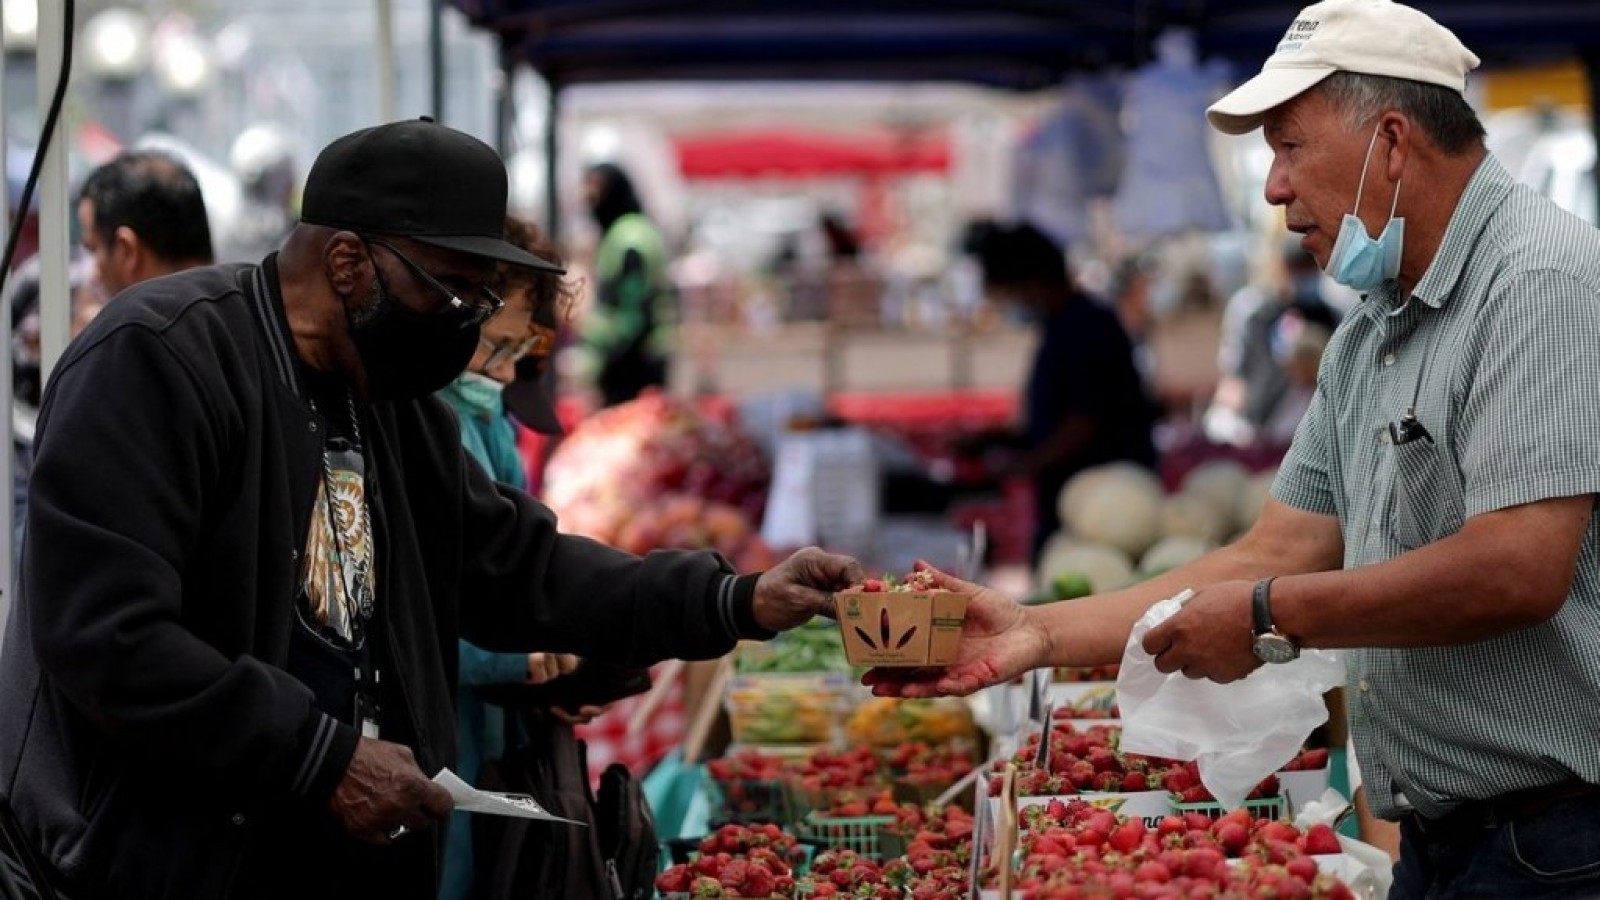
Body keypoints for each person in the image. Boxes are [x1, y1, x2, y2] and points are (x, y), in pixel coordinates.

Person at [0, 117, 856, 900]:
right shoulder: (157, 359)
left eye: (484, 300)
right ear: (348, 261)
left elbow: (514, 563)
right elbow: (109, 637)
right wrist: (320, 756)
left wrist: (733, 600)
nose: (468, 323)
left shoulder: (386, 394)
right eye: (454, 291)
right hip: (152, 865)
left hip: (326, 857)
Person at [868, 1, 1600, 896]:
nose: (1273, 188)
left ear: (1393, 142)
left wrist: (1266, 615)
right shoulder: (1374, 333)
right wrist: (1035, 633)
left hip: (1559, 845)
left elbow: (1517, 568)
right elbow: (1272, 549)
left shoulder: (1541, 282)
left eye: (1289, 147)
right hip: (1450, 837)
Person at [432, 215, 601, 900]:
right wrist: (521, 658)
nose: (500, 371)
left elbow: (518, 560)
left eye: (519, 350)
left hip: (488, 723)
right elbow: (421, 600)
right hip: (439, 727)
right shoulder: (422, 424)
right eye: (495, 348)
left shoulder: (486, 418)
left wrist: (552, 655)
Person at [960, 220, 1159, 564]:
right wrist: (999, 440)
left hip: (1103, 501)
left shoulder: (1087, 326)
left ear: (1031, 282)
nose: (1008, 303)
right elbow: (1058, 415)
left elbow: (1085, 419)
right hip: (1071, 499)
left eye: (1007, 292)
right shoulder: (1062, 325)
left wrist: (1025, 464)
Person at [1207, 237, 1342, 447]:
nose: (1302, 277)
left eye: (1308, 269)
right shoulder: (1254, 313)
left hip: (1306, 424)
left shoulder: (1329, 315)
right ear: (1283, 268)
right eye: (1297, 269)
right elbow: (1234, 378)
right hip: (1257, 422)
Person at [575, 162, 674, 407]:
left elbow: (632, 305)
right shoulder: (634, 229)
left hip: (633, 360)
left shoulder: (628, 237)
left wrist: (607, 350)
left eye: (595, 190)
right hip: (641, 354)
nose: (589, 199)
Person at [75, 148, 216, 297]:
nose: (93, 275)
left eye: (94, 250)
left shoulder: (136, 318)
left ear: (127, 252)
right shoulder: (237, 307)